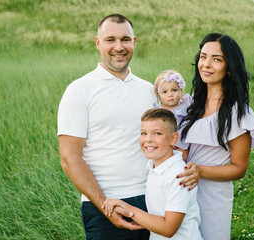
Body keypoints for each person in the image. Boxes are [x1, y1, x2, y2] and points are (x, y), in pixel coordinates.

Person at [57, 14, 158, 239]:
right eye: (110, 39)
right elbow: (69, 158)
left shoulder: (149, 89)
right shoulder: (79, 90)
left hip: (153, 200)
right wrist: (105, 206)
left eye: (125, 39)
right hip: (105, 204)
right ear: (98, 42)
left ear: (134, 42)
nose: (119, 47)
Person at [176, 33, 254, 240]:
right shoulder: (190, 103)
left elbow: (239, 168)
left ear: (230, 67)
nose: (206, 64)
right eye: (203, 56)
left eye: (217, 59)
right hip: (180, 190)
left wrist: (200, 171)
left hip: (212, 196)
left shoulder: (237, 113)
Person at [102, 108, 203, 240]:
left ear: (173, 139)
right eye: (144, 133)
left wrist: (127, 208)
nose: (148, 139)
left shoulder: (179, 175)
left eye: (157, 133)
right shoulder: (154, 168)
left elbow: (168, 229)